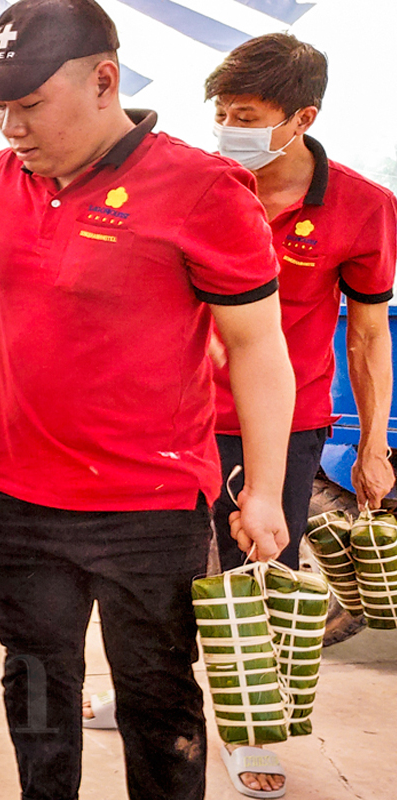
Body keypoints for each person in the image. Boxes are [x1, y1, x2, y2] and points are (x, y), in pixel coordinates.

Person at [0, 1, 295, 798]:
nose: (11, 127)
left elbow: (256, 346)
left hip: (149, 502)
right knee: (35, 689)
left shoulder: (201, 188)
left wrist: (264, 489)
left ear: (105, 81)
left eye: (30, 105)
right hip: (20, 496)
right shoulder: (4, 176)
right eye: (1, 107)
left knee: (156, 698)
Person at [204, 33, 395, 798]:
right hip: (175, 416)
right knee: (158, 568)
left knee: (268, 575)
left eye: (244, 113)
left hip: (286, 423)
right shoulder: (201, 183)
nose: (227, 126)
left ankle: (255, 729)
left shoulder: (363, 207)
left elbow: (371, 335)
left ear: (300, 116)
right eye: (220, 110)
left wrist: (373, 445)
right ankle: (156, 695)